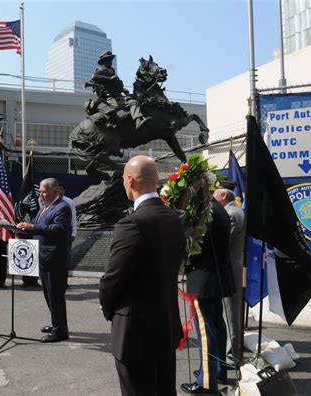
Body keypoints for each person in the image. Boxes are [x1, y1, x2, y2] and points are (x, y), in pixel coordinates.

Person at [99, 155, 185, 396]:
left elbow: (112, 279)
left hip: (135, 331)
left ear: (130, 180)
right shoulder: (174, 219)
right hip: (165, 326)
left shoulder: (132, 224)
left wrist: (108, 308)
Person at [181, 198, 235, 395]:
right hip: (215, 276)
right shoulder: (217, 208)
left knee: (206, 332)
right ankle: (216, 370)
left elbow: (194, 245)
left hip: (203, 279)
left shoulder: (205, 210)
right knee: (216, 326)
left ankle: (206, 382)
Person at [16, 178, 71, 343]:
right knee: (48, 294)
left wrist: (33, 227)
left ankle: (60, 331)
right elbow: (37, 224)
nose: (40, 195)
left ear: (55, 192)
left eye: (44, 191)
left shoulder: (62, 207)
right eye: (40, 191)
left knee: (56, 295)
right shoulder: (45, 207)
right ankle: (56, 322)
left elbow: (59, 229)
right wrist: (24, 226)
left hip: (55, 259)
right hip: (44, 257)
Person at [214, 179, 245, 366]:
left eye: (215, 194)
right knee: (227, 312)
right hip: (229, 269)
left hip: (229, 270)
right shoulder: (232, 211)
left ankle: (232, 356)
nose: (213, 197)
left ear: (224, 195)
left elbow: (222, 242)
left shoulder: (232, 214)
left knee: (230, 313)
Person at [87, 50, 150, 130]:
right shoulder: (102, 70)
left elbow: (115, 83)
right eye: (108, 60)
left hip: (118, 95)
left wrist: (123, 89)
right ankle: (138, 121)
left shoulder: (111, 70)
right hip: (111, 98)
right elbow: (94, 77)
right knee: (134, 103)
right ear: (104, 61)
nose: (110, 61)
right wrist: (110, 79)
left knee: (136, 98)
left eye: (111, 59)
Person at [59, 184, 77, 287]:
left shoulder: (69, 201)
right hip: (55, 235)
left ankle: (64, 282)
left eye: (61, 189)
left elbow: (73, 218)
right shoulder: (51, 200)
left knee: (65, 259)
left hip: (66, 234)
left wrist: (73, 233)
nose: (59, 191)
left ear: (64, 190)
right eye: (58, 188)